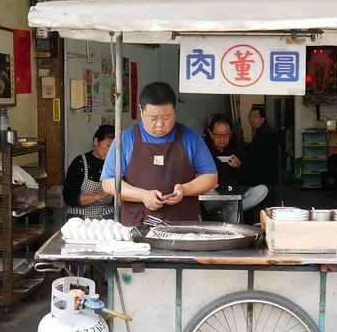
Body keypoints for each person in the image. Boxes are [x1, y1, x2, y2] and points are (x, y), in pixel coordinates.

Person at [101, 81, 218, 227]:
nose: (160, 124)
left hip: (184, 227)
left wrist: (185, 190)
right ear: (141, 111)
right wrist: (142, 195)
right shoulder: (125, 139)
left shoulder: (190, 138)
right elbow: (108, 183)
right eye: (153, 118)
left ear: (175, 110)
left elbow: (210, 177)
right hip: (137, 225)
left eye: (166, 117)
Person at [203, 114, 268, 222]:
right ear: (211, 134)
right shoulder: (204, 149)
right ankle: (232, 210)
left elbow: (249, 178)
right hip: (215, 197)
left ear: (231, 133)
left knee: (262, 190)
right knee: (210, 200)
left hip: (235, 196)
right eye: (218, 135)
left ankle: (229, 210)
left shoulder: (236, 148)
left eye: (226, 134)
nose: (222, 139)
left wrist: (239, 166)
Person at [63, 125, 116, 220]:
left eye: (114, 147)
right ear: (96, 141)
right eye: (108, 145)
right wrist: (98, 196)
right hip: (80, 212)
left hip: (106, 212)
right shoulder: (80, 163)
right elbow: (69, 198)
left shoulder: (115, 165)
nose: (110, 151)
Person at [246, 106, 279, 191]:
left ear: (262, 119)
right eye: (250, 116)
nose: (252, 119)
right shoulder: (263, 131)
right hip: (267, 170)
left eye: (255, 116)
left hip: (265, 173)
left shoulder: (264, 133)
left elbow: (255, 155)